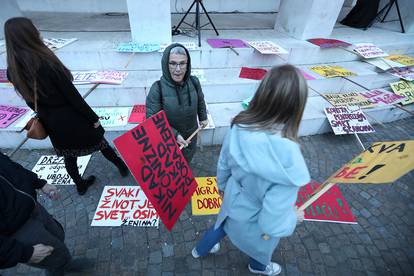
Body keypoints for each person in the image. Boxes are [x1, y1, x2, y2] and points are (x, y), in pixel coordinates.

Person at [191, 65, 310, 276]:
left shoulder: (240, 124)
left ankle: (199, 250)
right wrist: (293, 216)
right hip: (255, 216)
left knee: (221, 225)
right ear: (297, 106)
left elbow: (224, 162)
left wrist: (223, 187)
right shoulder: (290, 159)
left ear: (262, 93)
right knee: (262, 247)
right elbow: (272, 223)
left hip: (234, 196)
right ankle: (257, 266)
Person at [4, 17, 129, 195]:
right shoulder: (47, 62)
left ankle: (80, 184)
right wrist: (93, 118)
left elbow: (29, 101)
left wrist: (45, 114)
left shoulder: (12, 71)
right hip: (73, 117)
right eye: (34, 28)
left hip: (52, 122)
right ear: (30, 34)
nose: (38, 30)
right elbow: (73, 97)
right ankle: (122, 167)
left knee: (68, 155)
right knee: (101, 144)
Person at [0, 152, 85, 275]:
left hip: (33, 208)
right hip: (16, 230)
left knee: (58, 236)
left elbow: (12, 167)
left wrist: (39, 183)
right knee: (53, 257)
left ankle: (67, 264)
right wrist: (24, 253)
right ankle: (59, 268)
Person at [146, 43, 208, 163]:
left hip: (191, 136)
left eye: (182, 63)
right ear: (165, 64)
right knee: (171, 167)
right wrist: (174, 135)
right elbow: (152, 120)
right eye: (173, 63)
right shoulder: (157, 88)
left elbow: (200, 100)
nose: (178, 69)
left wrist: (203, 117)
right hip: (169, 141)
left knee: (186, 162)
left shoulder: (194, 81)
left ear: (187, 64)